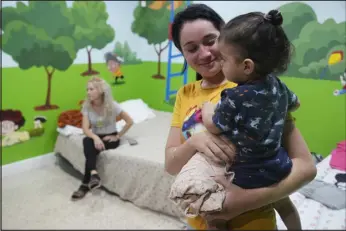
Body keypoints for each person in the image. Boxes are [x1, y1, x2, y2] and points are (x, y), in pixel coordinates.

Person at [164, 3, 317, 230]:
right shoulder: (185, 94)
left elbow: (306, 167)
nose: (204, 53)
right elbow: (170, 165)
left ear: (225, 36)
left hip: (256, 221)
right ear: (183, 53)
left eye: (210, 41)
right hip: (201, 221)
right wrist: (196, 142)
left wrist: (236, 204)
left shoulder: (256, 87)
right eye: (191, 48)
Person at [71, 76, 133, 200]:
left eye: (91, 89)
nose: (88, 92)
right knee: (87, 141)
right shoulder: (87, 106)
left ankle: (84, 185)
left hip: (110, 138)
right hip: (95, 136)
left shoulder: (112, 105)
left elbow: (129, 121)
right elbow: (85, 129)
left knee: (90, 152)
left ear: (100, 91)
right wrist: (95, 138)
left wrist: (117, 136)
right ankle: (94, 174)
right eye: (87, 89)